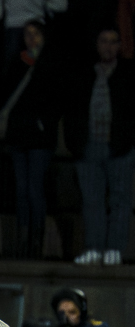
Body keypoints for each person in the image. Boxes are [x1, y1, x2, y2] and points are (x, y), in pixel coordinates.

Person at [65, 27, 135, 267]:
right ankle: (94, 246)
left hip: (119, 147)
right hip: (88, 146)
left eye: (113, 42)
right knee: (91, 200)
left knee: (120, 199)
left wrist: (127, 140)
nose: (108, 46)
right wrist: (75, 142)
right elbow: (73, 108)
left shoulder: (127, 73)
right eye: (104, 41)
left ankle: (114, 247)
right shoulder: (84, 73)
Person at [0, 21, 59, 260]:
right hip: (20, 136)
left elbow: (56, 99)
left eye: (36, 34)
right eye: (27, 34)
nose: (31, 39)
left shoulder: (50, 64)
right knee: (22, 189)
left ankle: (35, 239)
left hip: (39, 137)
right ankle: (25, 239)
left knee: (34, 188)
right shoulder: (17, 62)